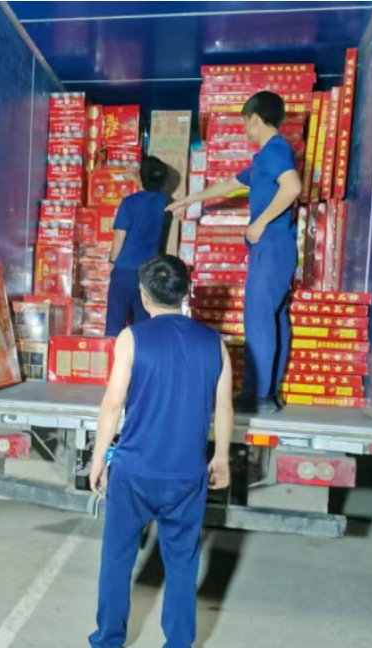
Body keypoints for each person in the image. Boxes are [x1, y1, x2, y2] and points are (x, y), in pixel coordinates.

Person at [88, 255, 233, 648]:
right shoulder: (215, 343)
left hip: (134, 471)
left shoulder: (132, 338)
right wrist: (220, 457)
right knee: (183, 563)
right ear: (187, 292)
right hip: (187, 474)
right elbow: (224, 407)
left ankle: (108, 640)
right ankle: (179, 641)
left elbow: (112, 405)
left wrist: (98, 459)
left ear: (143, 295)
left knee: (117, 559)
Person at [169, 91, 302, 414]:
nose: (244, 130)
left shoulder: (275, 149)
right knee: (273, 317)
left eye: (245, 122)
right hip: (278, 246)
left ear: (255, 118)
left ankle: (258, 396)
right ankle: (270, 392)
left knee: (258, 318)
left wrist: (260, 223)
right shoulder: (265, 158)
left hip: (270, 243)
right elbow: (231, 183)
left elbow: (293, 187)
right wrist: (192, 198)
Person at [105, 155, 172, 336]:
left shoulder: (128, 203)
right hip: (149, 273)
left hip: (125, 271)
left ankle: (114, 354)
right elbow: (149, 195)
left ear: (142, 176)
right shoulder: (163, 201)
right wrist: (138, 179)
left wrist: (112, 262)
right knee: (144, 327)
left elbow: (119, 238)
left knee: (114, 326)